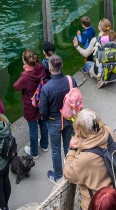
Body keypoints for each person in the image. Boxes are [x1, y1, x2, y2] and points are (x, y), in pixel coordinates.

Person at [63, 109, 116, 210]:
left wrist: (73, 149)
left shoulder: (85, 158)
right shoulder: (108, 132)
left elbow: (68, 173)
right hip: (115, 194)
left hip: (97, 203)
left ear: (80, 131)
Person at [40, 54, 77, 183]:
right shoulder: (71, 80)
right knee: (68, 145)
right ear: (62, 66)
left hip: (54, 120)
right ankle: (70, 172)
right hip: (69, 118)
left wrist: (46, 119)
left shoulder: (46, 88)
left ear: (49, 68)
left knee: (55, 150)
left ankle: (58, 176)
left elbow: (43, 110)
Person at [13, 49, 49, 158]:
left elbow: (16, 86)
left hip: (30, 105)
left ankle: (34, 152)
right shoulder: (41, 68)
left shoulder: (25, 77)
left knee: (33, 129)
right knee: (43, 124)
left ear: (25, 62)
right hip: (42, 101)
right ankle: (44, 145)